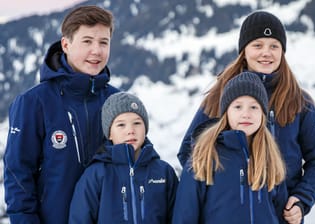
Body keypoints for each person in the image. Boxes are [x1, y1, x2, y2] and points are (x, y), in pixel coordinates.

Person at [177, 10, 315, 224]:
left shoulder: (299, 102)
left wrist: (301, 199)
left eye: (274, 46)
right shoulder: (220, 96)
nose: (266, 53)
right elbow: (189, 152)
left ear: (283, 51)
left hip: (281, 216)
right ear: (244, 50)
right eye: (258, 45)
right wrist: (218, 196)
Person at [3, 5, 120, 224]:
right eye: (87, 41)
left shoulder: (116, 101)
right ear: (66, 44)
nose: (97, 50)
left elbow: (136, 163)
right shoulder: (34, 102)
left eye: (103, 42)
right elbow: (18, 174)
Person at [173, 72, 288, 223]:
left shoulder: (270, 159)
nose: (246, 114)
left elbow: (283, 216)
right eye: (238, 107)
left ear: (263, 114)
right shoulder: (205, 157)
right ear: (226, 113)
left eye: (254, 107)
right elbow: (185, 215)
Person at [68, 92, 179, 223]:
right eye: (121, 125)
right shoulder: (96, 174)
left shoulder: (164, 172)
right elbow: (80, 219)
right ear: (109, 133)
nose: (130, 130)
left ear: (146, 129)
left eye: (137, 123)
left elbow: (177, 217)